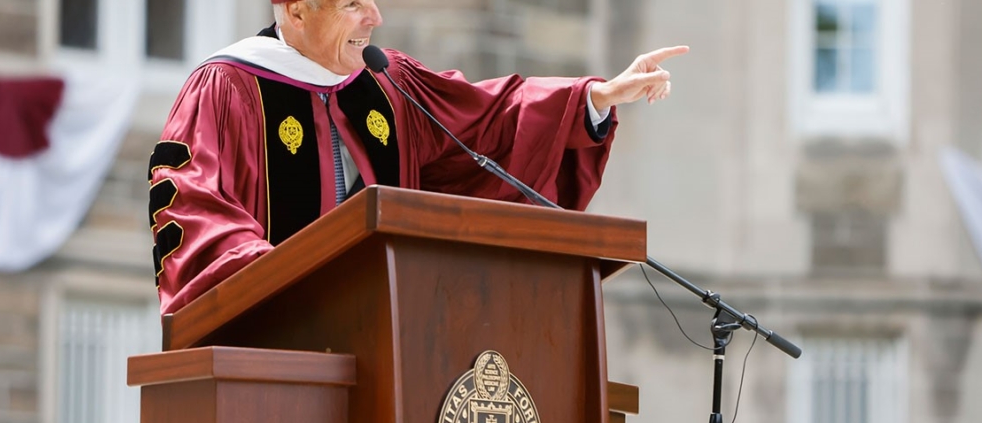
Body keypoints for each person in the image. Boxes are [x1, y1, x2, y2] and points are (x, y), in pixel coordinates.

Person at [148, 0, 688, 314]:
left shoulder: (389, 83)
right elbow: (194, 210)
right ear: (296, 10)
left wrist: (593, 99)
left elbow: (488, 128)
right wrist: (283, 278)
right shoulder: (225, 89)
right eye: (353, 4)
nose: (376, 17)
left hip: (389, 343)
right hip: (280, 351)